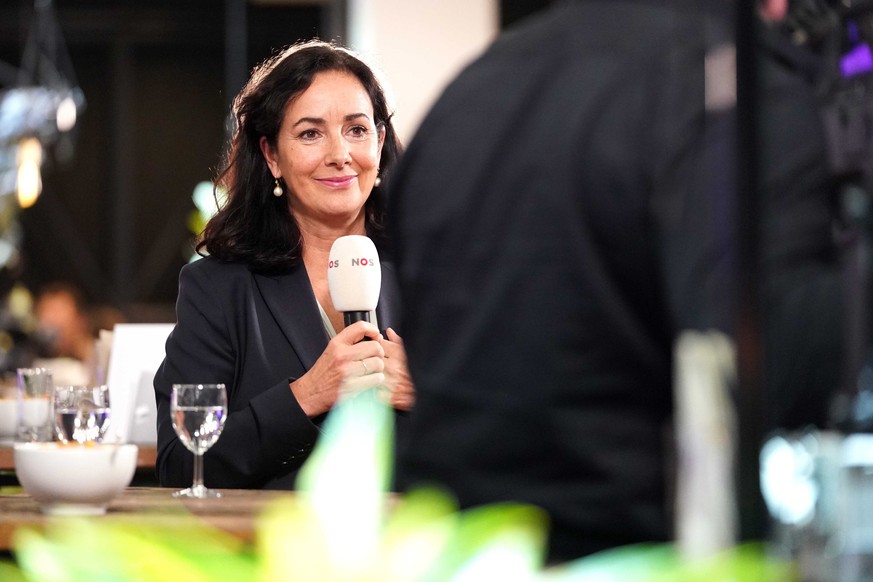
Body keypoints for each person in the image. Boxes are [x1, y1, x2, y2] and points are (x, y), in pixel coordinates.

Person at [388, 0, 843, 564]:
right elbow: (778, 366)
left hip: (461, 556)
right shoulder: (728, 85)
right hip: (639, 558)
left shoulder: (469, 92)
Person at [154, 40, 414, 490]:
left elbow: (514, 434)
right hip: (267, 551)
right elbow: (181, 464)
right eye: (310, 133)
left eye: (357, 129)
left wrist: (428, 397)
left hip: (415, 550)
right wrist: (306, 397)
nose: (340, 154)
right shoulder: (218, 287)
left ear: (380, 140)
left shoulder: (435, 275)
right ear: (272, 155)